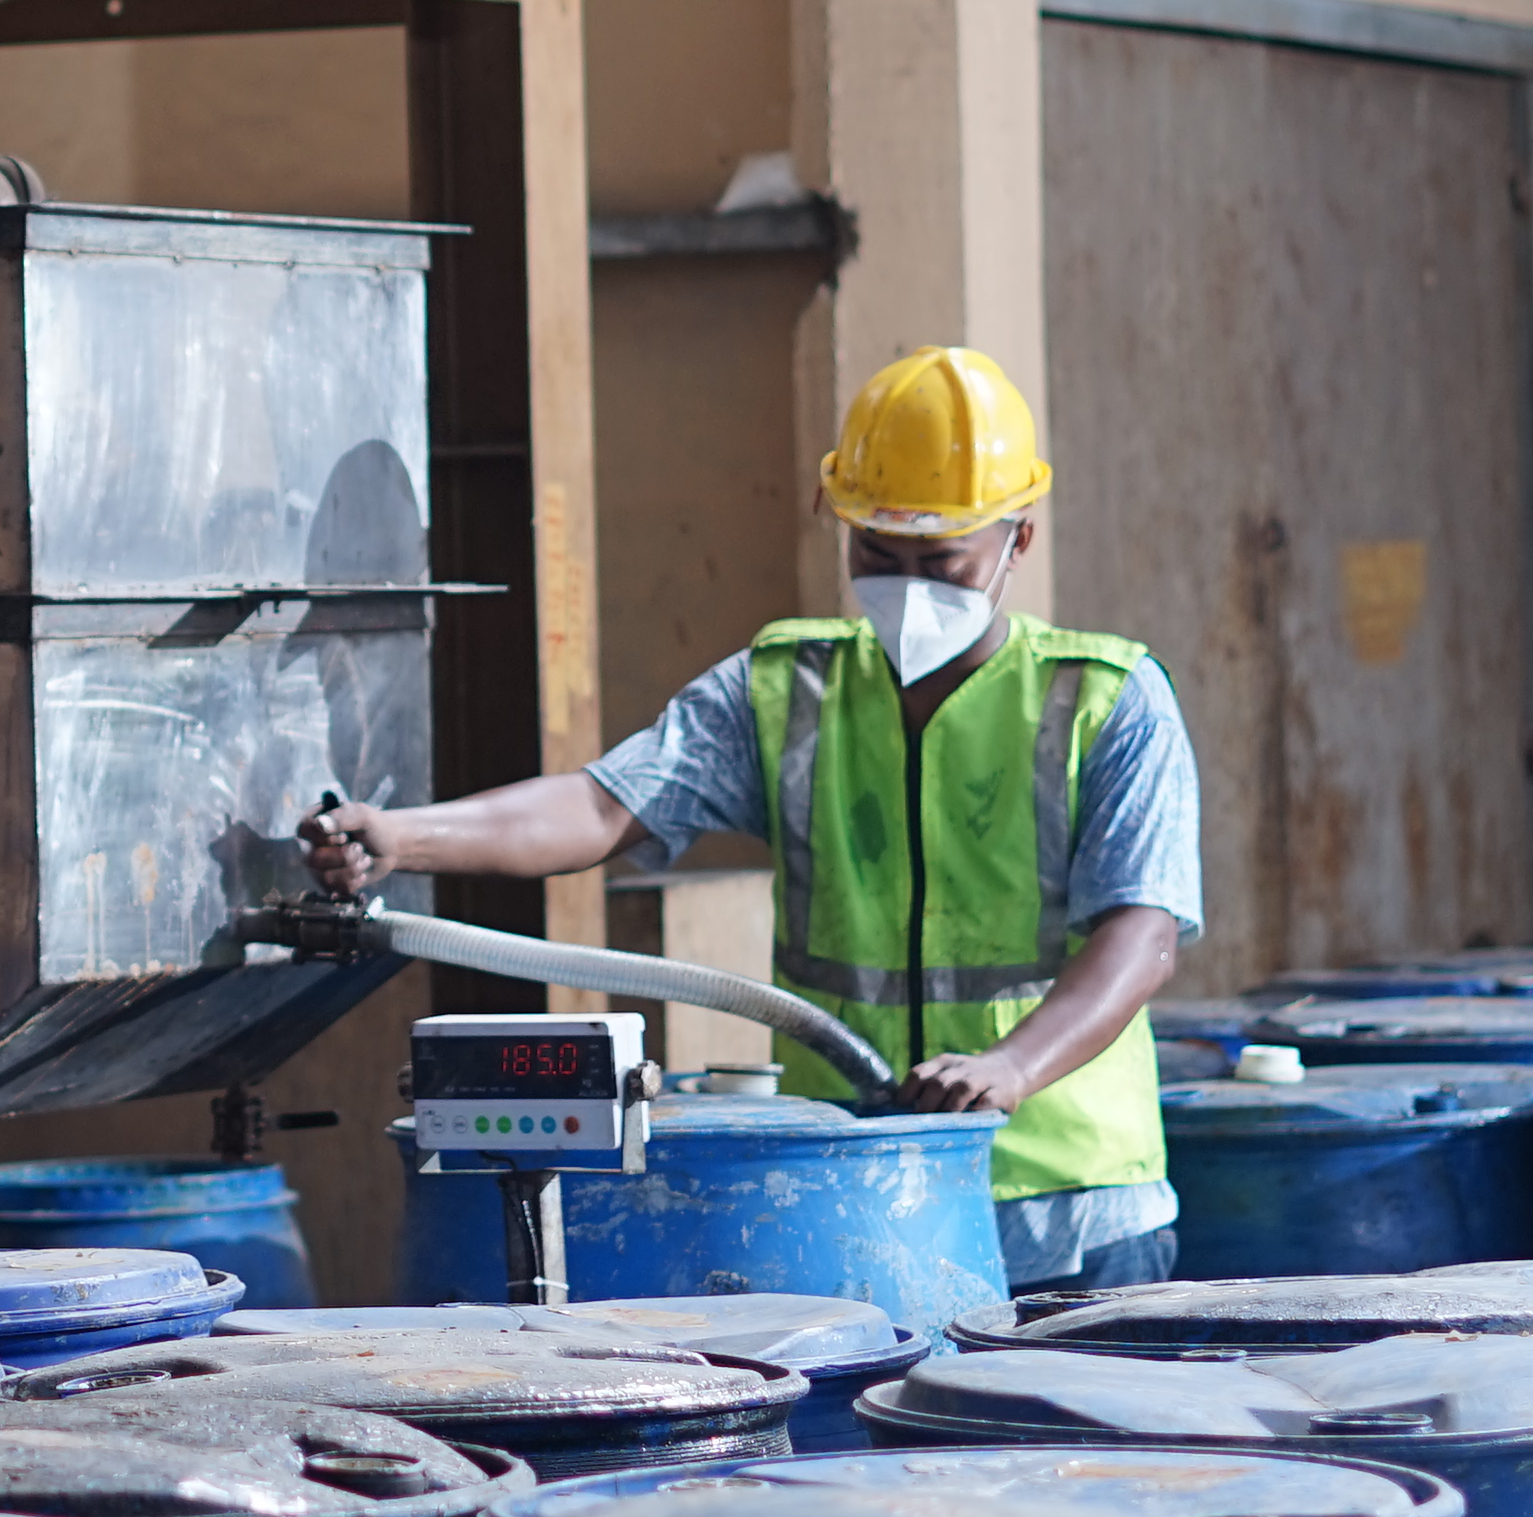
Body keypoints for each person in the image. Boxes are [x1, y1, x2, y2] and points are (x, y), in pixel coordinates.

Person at [296, 344, 1202, 1291]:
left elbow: (1142, 938)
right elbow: (601, 805)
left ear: (1018, 540)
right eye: (876, 555)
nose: (905, 589)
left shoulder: (1106, 700)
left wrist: (1011, 1068)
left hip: (1070, 1208)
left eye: (940, 560)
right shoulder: (788, 690)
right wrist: (407, 836)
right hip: (847, 1196)